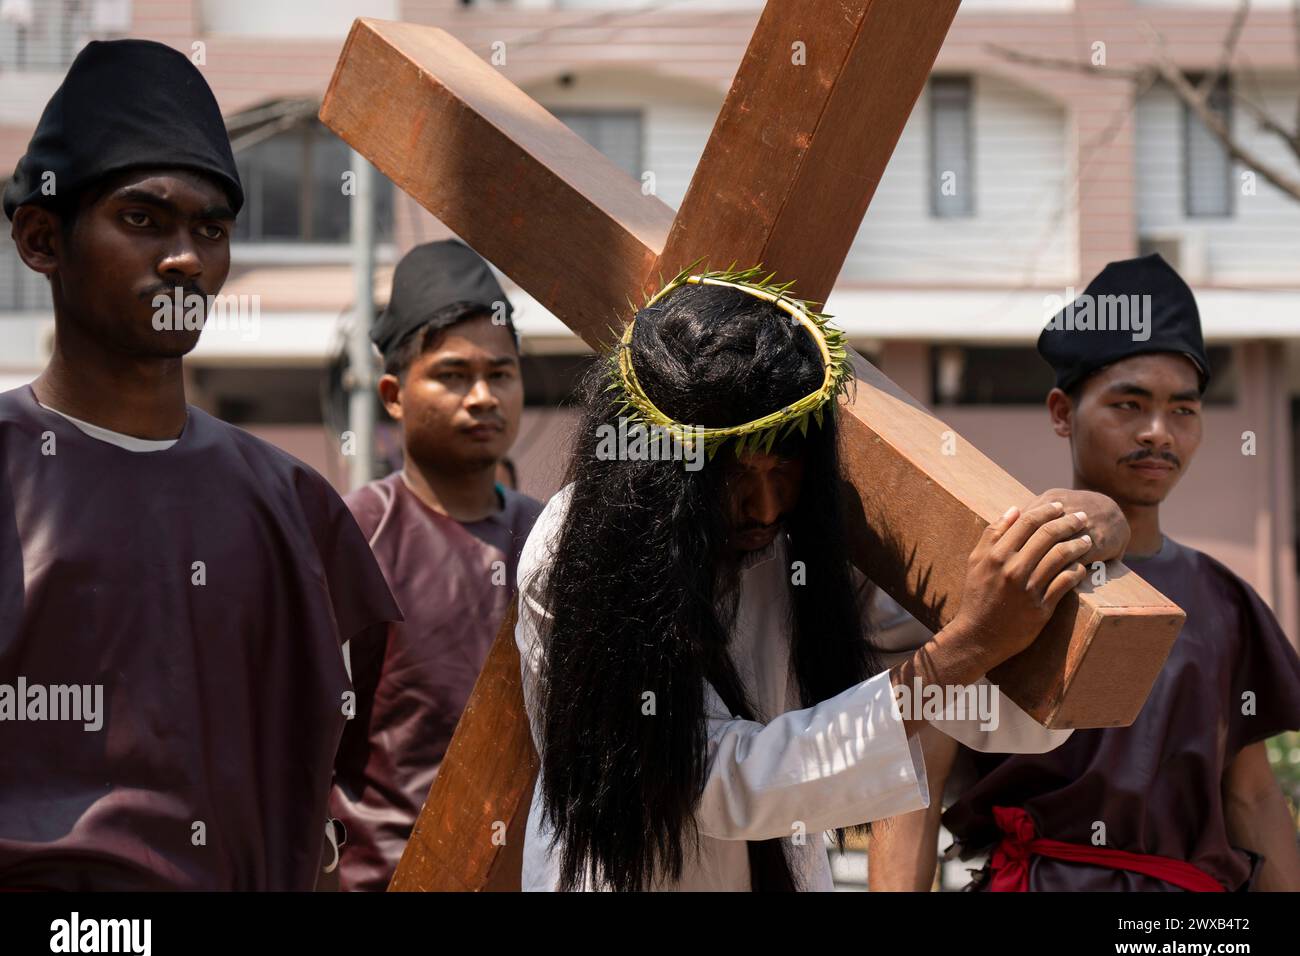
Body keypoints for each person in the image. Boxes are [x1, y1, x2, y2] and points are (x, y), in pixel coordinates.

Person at [515, 266, 1131, 891]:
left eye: (784, 471)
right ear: (658, 474)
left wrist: (1069, 555)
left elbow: (992, 714)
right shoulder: (570, 556)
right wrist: (966, 649)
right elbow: (715, 782)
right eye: (732, 481)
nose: (764, 507)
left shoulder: (811, 541)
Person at [0, 39, 401, 890]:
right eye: (143, 220)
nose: (184, 257)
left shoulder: (295, 506)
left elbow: (337, 781)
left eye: (209, 230)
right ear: (42, 238)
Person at [868, 254, 1300, 892]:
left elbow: (1252, 798)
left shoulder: (1224, 599)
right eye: (1129, 404)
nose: (1159, 432)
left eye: (1183, 410)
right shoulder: (1008, 576)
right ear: (1062, 412)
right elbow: (916, 779)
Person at [329, 241, 543, 891]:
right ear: (394, 394)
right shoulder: (357, 535)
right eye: (453, 374)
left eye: (500, 374)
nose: (482, 396)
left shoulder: (550, 538)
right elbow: (299, 741)